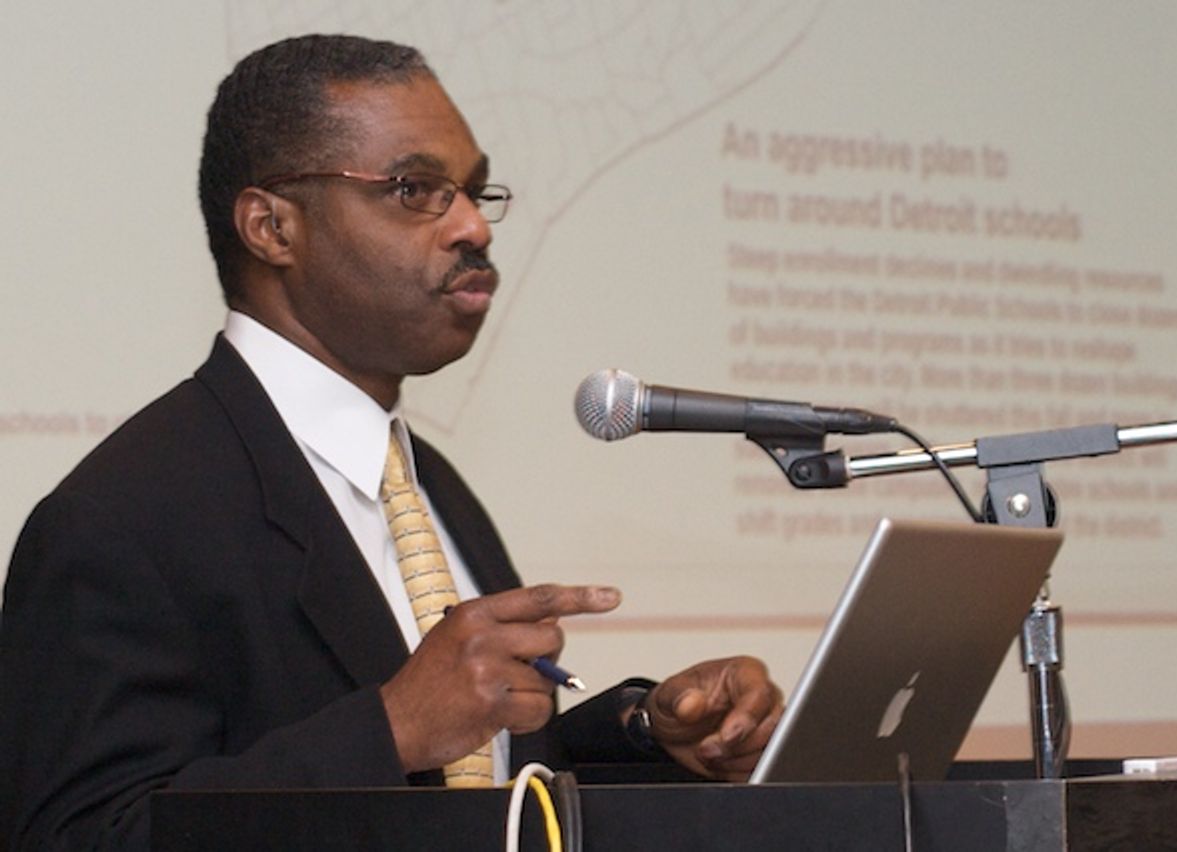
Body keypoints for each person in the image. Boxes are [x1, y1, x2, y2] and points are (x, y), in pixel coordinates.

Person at [0, 34, 783, 849]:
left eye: (474, 191)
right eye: (416, 190)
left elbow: (476, 787)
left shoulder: (428, 481)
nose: (473, 226)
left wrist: (648, 735)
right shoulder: (121, 520)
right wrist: (390, 729)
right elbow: (81, 835)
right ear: (272, 227)